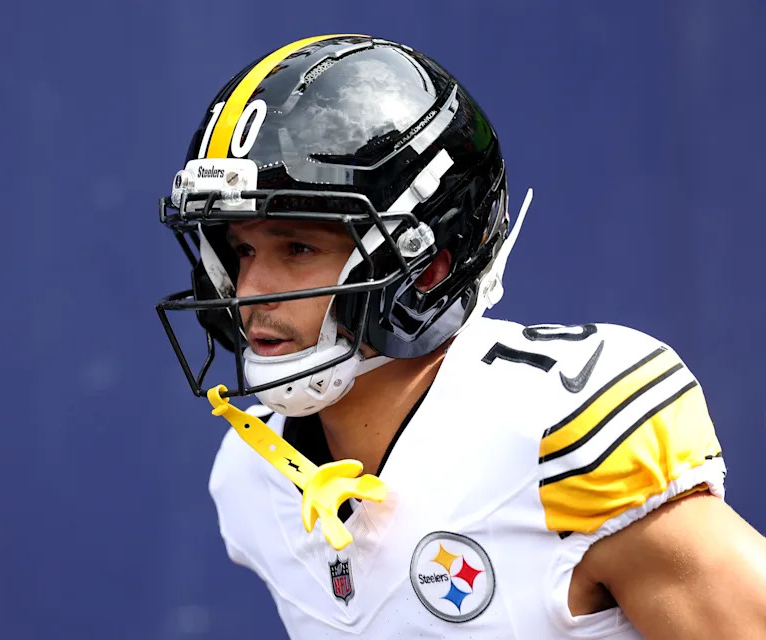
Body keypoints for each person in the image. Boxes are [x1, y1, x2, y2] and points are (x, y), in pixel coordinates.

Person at [155, 34, 766, 639]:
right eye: (240, 251)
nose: (250, 291)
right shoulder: (253, 476)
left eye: (298, 248)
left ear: (428, 265)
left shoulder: (553, 432)